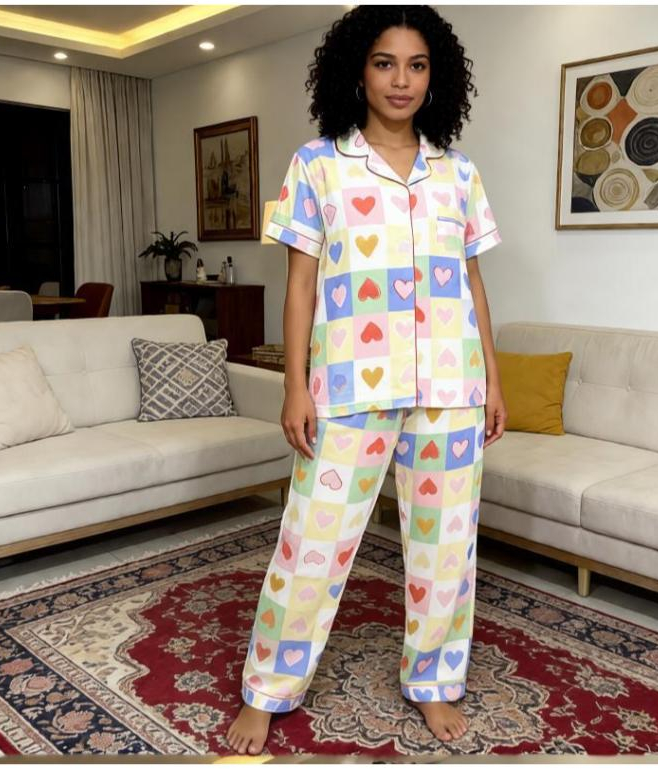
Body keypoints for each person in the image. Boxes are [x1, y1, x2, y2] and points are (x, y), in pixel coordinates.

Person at [226, 4, 505, 755]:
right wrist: (295, 385)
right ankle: (267, 688)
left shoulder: (458, 173)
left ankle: (435, 682)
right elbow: (299, 286)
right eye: (385, 62)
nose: (401, 79)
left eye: (416, 65)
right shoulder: (318, 164)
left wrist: (493, 380)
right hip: (348, 385)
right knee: (311, 542)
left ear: (435, 77)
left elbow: (472, 284)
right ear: (358, 70)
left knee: (446, 547)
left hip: (450, 383)